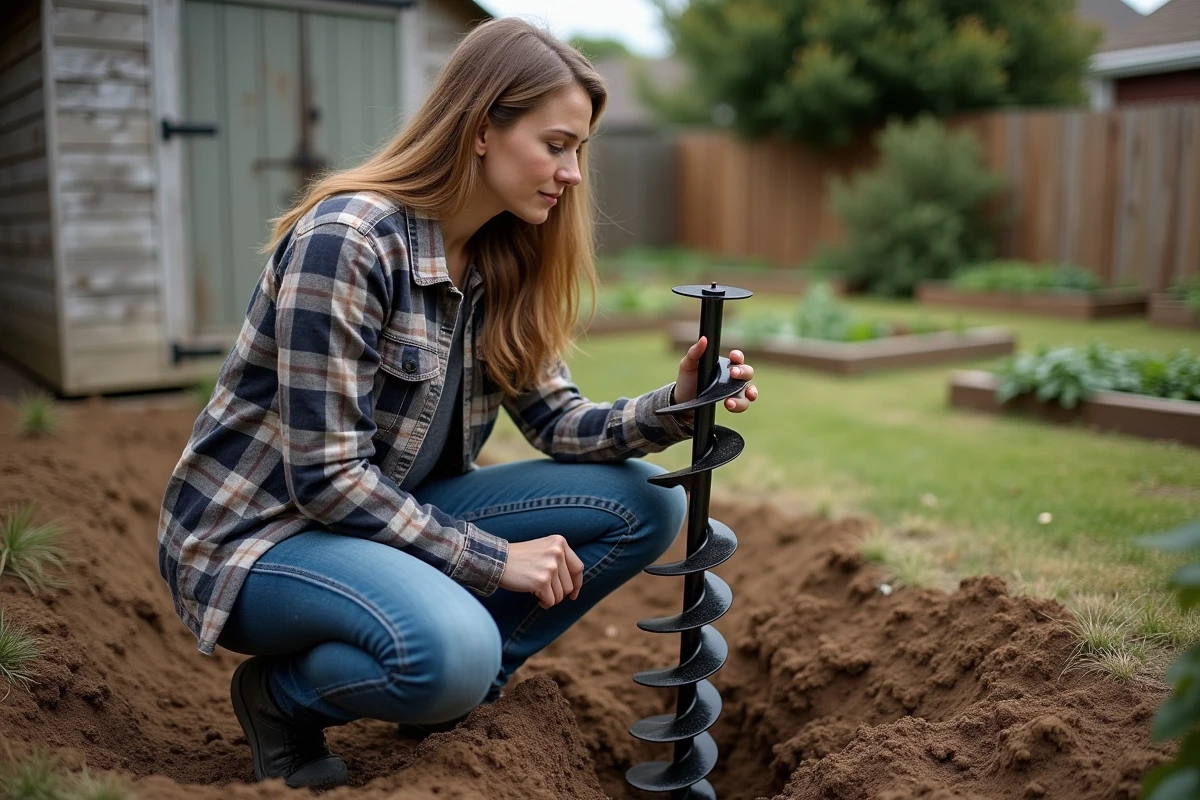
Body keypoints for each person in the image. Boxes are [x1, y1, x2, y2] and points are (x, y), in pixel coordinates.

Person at [156, 17, 760, 790]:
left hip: (389, 513)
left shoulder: (502, 253)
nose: (573, 172)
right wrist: (495, 560)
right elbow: (328, 480)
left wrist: (676, 403)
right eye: (555, 144)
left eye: (578, 149)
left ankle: (448, 694)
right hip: (258, 540)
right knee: (454, 647)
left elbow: (557, 422)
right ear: (482, 130)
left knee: (644, 505)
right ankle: (286, 699)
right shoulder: (349, 241)